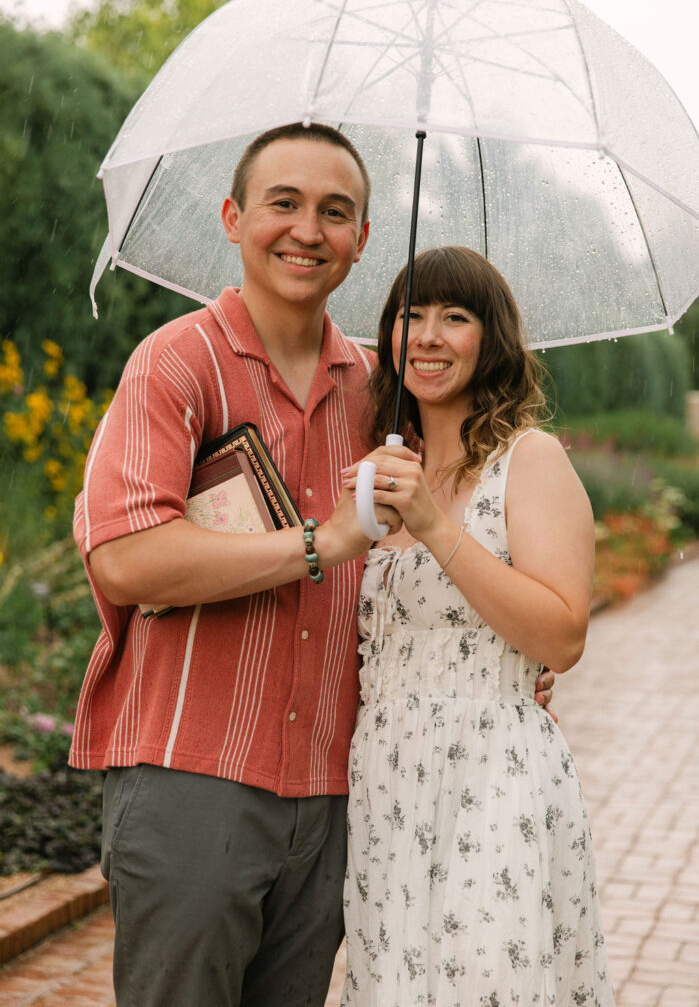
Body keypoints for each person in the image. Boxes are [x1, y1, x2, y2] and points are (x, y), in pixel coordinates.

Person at [71, 125, 554, 1007]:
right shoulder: (176, 364)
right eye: (283, 203)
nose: (307, 230)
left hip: (338, 796)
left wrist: (496, 656)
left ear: (363, 241)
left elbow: (422, 565)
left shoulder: (383, 398)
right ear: (233, 216)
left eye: (335, 212)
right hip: (195, 775)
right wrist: (318, 543)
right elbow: (126, 563)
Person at [340, 246, 614, 1005]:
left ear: (489, 340)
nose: (427, 336)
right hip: (386, 782)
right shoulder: (383, 470)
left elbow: (560, 637)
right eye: (410, 314)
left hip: (493, 780)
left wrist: (432, 524)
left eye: (453, 317)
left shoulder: (528, 461)